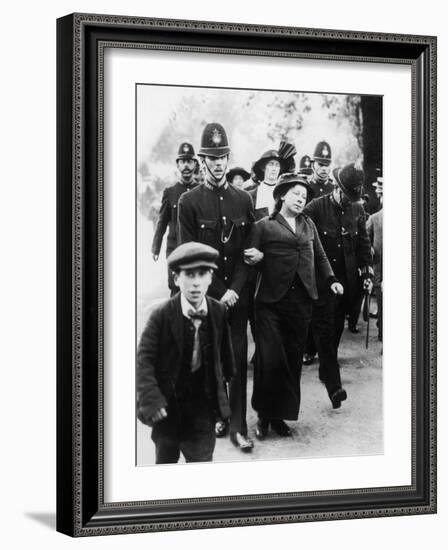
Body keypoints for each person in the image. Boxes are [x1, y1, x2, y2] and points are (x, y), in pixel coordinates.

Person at [245, 173, 343, 438]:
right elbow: (249, 259)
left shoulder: (308, 224)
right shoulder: (264, 225)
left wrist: (331, 279)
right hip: (269, 303)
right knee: (270, 360)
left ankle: (279, 417)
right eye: (296, 194)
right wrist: (259, 258)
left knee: (290, 361)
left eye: (304, 196)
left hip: (300, 303)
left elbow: (320, 255)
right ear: (282, 195)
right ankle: (264, 417)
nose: (301, 199)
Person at [177, 122, 255, 452]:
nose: (219, 162)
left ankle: (239, 427)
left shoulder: (243, 200)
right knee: (213, 362)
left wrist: (235, 288)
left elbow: (248, 254)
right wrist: (220, 290)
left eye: (223, 156)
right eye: (212, 156)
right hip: (208, 296)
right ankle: (217, 415)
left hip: (237, 298)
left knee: (236, 360)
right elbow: (191, 256)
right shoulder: (189, 202)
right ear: (202, 160)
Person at [136, 242, 235, 464]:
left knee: (201, 466)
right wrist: (152, 400)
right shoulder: (160, 315)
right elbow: (144, 361)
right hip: (167, 407)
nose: (196, 282)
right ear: (176, 278)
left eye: (202, 274)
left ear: (211, 277)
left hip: (202, 408)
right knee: (166, 461)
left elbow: (225, 357)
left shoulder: (218, 311)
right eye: (189, 275)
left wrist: (221, 398)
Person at [303, 162, 373, 408]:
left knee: (334, 333)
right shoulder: (314, 209)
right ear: (336, 187)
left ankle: (325, 368)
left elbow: (363, 243)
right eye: (346, 195)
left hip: (348, 285)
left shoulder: (357, 210)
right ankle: (334, 387)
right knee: (324, 331)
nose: (349, 200)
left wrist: (367, 271)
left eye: (353, 196)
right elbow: (304, 244)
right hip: (322, 284)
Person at [303, 141, 335, 365]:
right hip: (308, 253)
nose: (323, 168)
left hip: (329, 254)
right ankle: (308, 349)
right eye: (320, 164)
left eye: (327, 164)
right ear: (313, 164)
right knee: (309, 304)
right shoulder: (304, 188)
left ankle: (325, 352)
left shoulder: (334, 189)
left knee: (328, 307)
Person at [151, 142, 199, 294]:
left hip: (196, 247)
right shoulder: (170, 192)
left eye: (189, 162)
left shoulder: (201, 191)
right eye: (182, 162)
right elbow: (162, 222)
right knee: (176, 288)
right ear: (177, 165)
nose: (186, 166)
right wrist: (156, 247)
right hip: (174, 249)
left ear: (195, 165)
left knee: (196, 288)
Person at [247, 142, 296, 220]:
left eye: (277, 165)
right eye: (271, 164)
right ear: (263, 168)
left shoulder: (284, 194)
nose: (274, 169)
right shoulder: (251, 195)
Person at [367, 173, 383, 341]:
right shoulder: (374, 218)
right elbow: (364, 241)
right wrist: (369, 249)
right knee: (381, 300)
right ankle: (383, 332)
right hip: (379, 268)